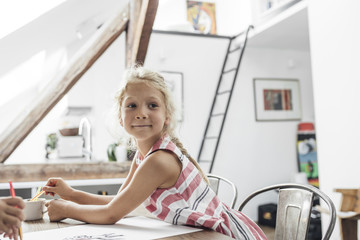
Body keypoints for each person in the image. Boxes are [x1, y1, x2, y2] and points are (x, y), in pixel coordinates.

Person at [43, 65, 267, 239]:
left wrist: (67, 208)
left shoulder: (158, 161)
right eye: (131, 106)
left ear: (167, 116)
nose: (141, 113)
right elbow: (121, 203)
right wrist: (71, 194)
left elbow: (111, 214)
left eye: (152, 105)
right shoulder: (144, 156)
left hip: (225, 236)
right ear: (121, 118)